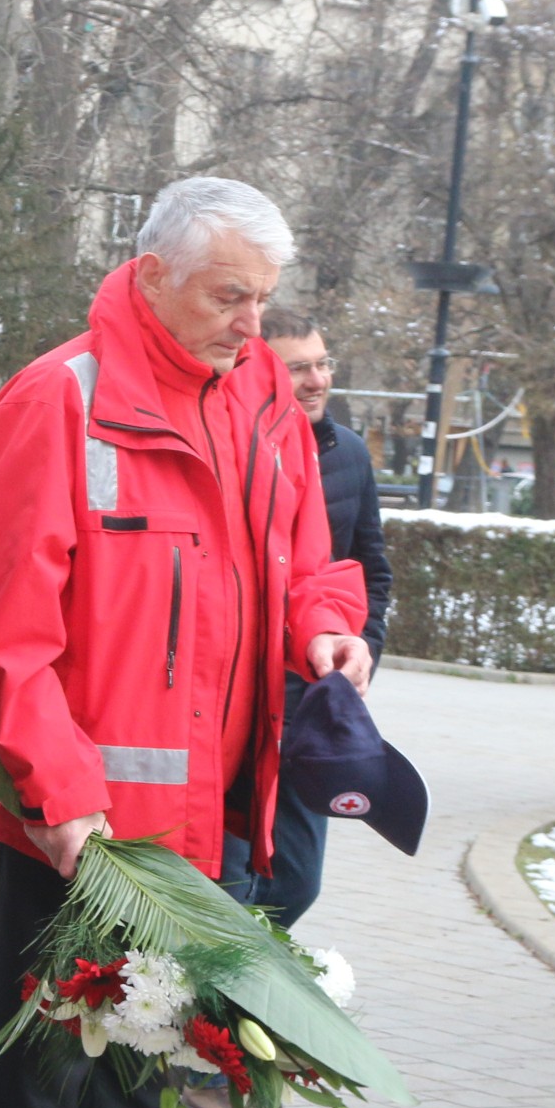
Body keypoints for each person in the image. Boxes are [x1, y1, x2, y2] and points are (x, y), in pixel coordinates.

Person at [0, 177, 369, 1108]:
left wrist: (326, 626)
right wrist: (60, 798)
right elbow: (10, 636)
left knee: (149, 1053)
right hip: (81, 819)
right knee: (49, 1066)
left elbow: (307, 555)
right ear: (151, 277)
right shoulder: (61, 399)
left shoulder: (260, 396)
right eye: (229, 296)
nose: (253, 324)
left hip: (213, 804)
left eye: (264, 300)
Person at [223, 307, 392, 926]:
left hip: (307, 707)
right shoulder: (234, 445)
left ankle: (247, 974)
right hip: (235, 706)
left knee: (296, 881)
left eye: (323, 364)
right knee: (228, 878)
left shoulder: (348, 453)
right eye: (299, 368)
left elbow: (369, 568)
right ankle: (214, 979)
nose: (318, 380)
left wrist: (355, 655)